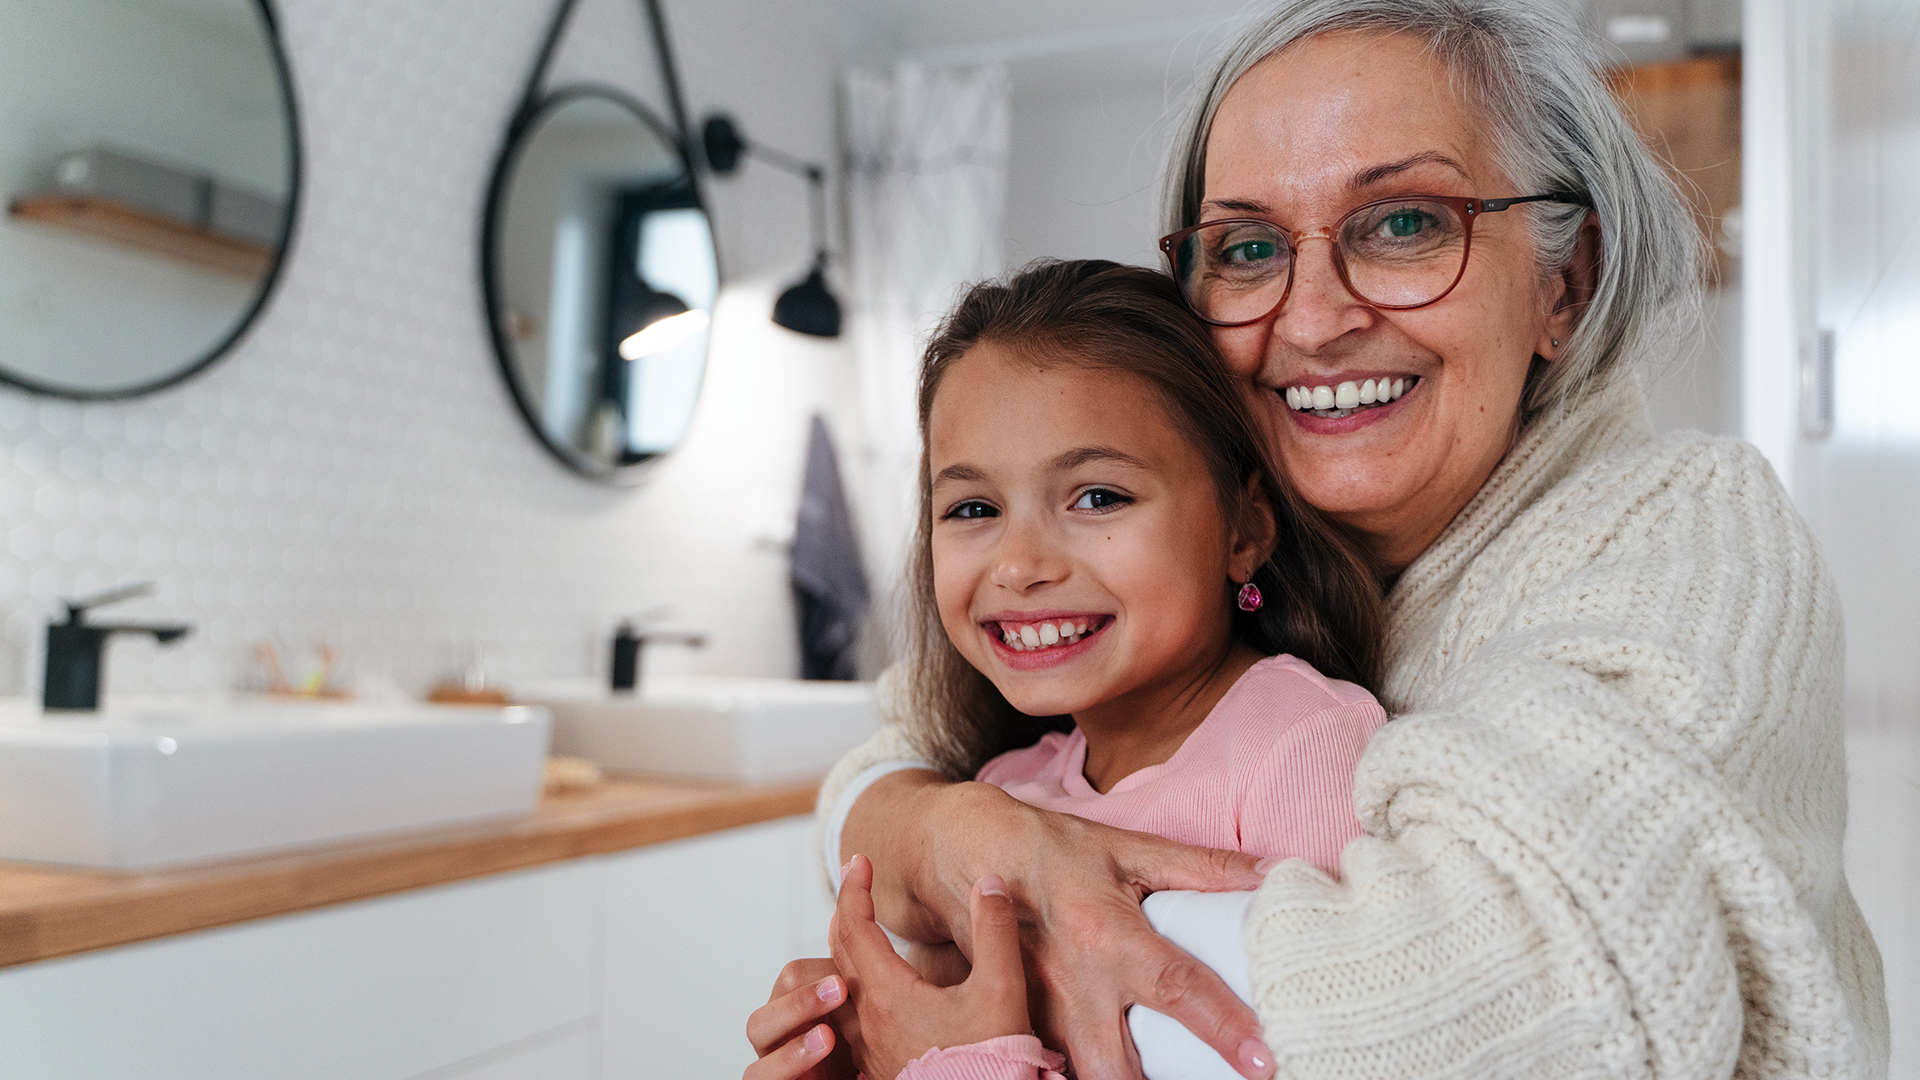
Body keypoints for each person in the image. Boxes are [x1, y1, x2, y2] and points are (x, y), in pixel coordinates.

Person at [767, 0, 1893, 1076]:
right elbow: (883, 766)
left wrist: (952, 1011)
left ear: (1566, 282)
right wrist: (949, 831)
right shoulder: (1232, 557)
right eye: (1248, 249)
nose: (1313, 318)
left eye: (1404, 224)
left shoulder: (1687, 538)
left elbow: (1515, 1001)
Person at [747, 260, 1392, 1079]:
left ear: (1244, 527)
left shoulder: (1304, 749)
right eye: (973, 509)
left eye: (1097, 498)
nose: (1019, 565)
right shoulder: (1003, 790)